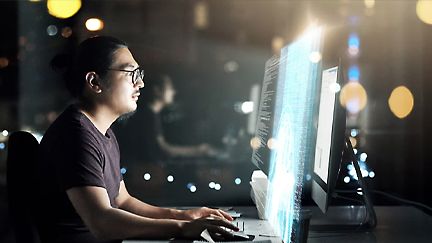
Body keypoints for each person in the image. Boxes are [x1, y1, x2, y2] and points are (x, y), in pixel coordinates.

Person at [36, 36, 238, 243]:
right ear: (95, 82)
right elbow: (102, 222)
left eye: (139, 74)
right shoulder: (75, 136)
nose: (140, 83)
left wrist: (182, 216)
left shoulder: (102, 131)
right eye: (131, 73)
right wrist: (183, 228)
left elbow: (123, 201)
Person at [115, 74, 215, 163]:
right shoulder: (147, 116)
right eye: (170, 87)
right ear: (157, 90)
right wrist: (198, 150)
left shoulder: (151, 114)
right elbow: (164, 149)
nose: (174, 92)